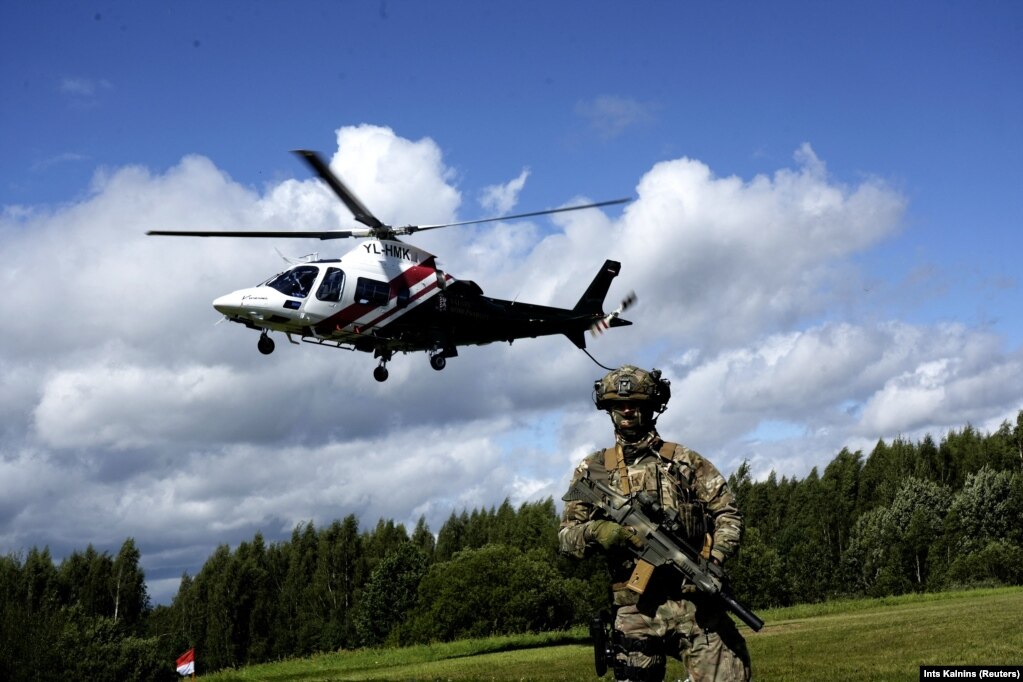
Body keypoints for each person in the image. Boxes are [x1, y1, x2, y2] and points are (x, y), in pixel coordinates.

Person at [559, 365, 751, 682]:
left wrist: (715, 558)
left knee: (732, 673)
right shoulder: (594, 469)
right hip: (635, 608)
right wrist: (599, 532)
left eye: (636, 403)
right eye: (619, 404)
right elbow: (567, 539)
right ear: (608, 408)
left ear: (652, 406)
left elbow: (727, 511)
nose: (627, 410)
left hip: (694, 603)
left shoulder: (683, 461)